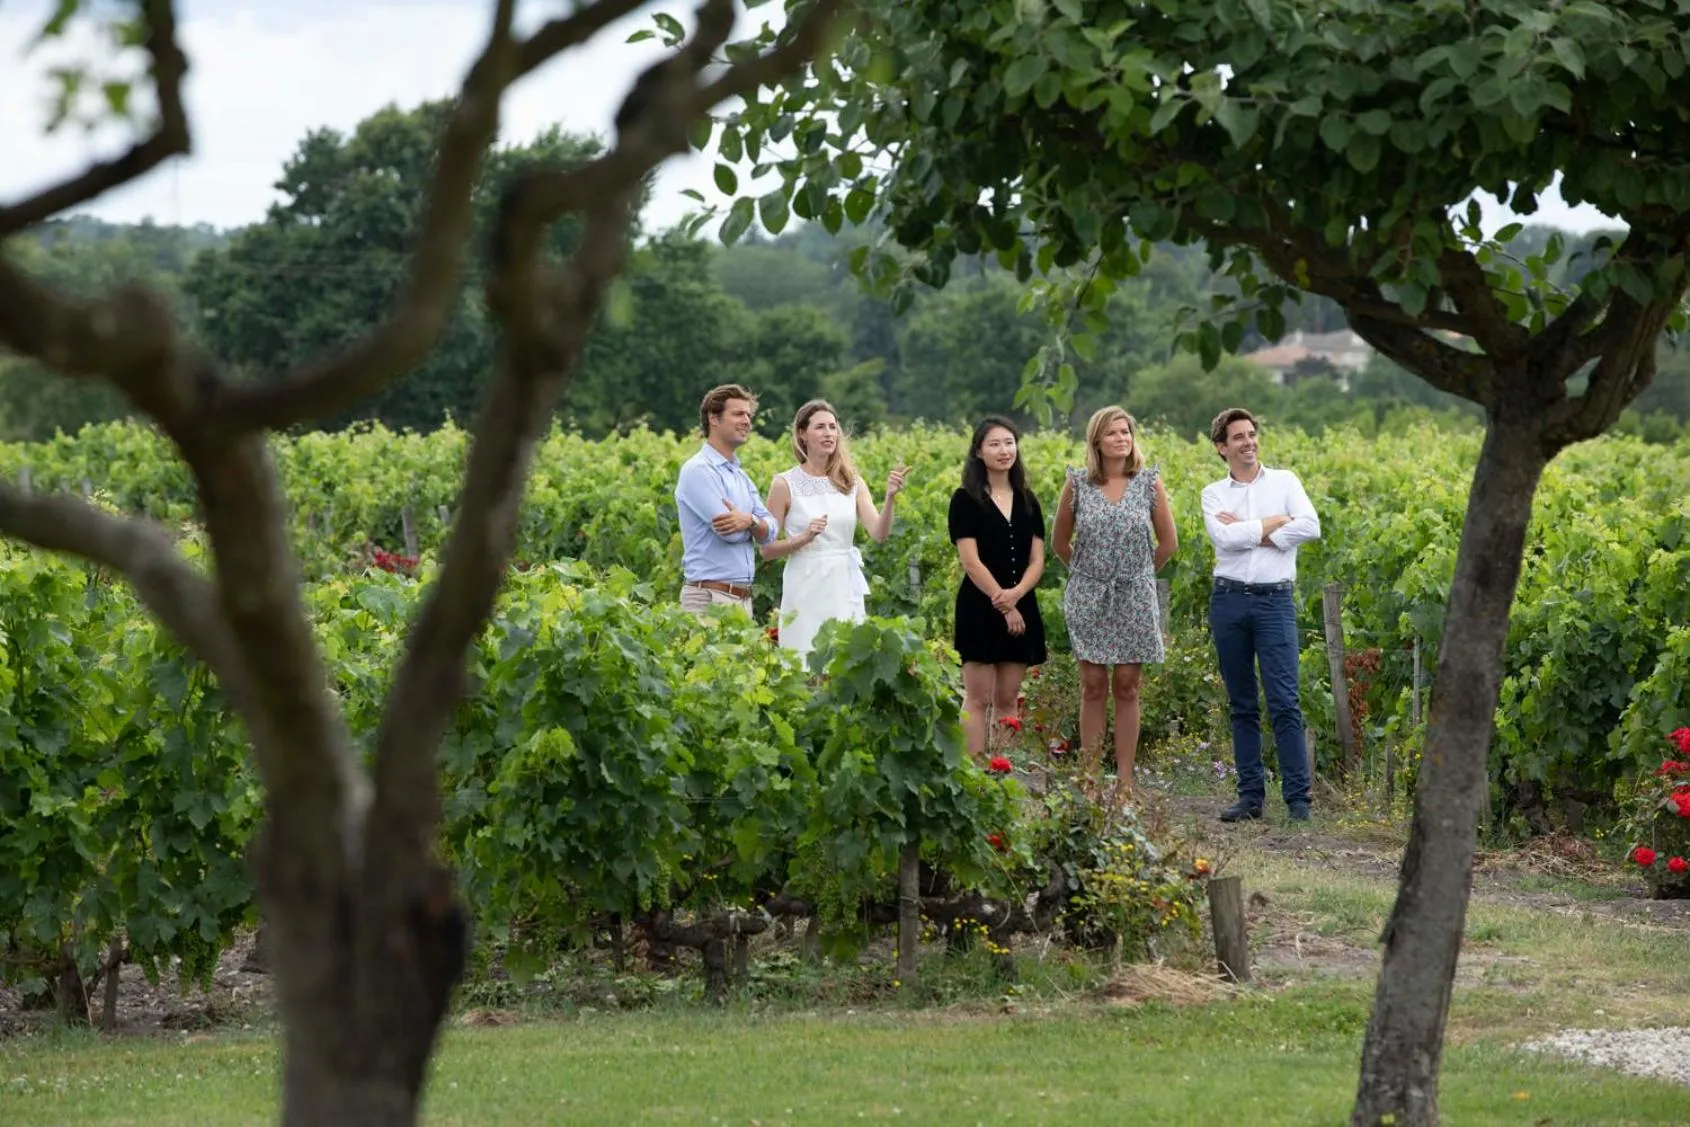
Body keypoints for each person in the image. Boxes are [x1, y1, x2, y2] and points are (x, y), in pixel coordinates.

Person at [1201, 407, 1322, 823]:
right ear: (1222, 447)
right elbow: (1224, 537)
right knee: (1242, 704)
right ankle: (1251, 797)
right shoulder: (1213, 494)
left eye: (1252, 434)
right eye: (1238, 437)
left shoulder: (1286, 480)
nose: (1248, 442)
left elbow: (1311, 527)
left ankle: (1298, 802)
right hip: (1229, 602)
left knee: (1285, 701)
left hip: (1275, 602)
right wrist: (1272, 524)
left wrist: (1252, 532)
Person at [1051, 406, 1177, 791]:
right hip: (1089, 594)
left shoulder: (1149, 483)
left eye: (1126, 432)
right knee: (1092, 683)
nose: (1121, 438)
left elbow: (1168, 543)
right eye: (1112, 433)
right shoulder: (1077, 484)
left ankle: (1124, 781)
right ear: (1096, 442)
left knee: (1127, 683)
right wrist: (1089, 575)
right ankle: (1089, 778)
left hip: (1135, 594)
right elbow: (1059, 543)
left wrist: (1137, 575)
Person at [761, 399, 909, 662]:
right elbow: (767, 550)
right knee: (803, 664)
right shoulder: (784, 484)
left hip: (843, 581)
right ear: (802, 434)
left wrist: (889, 498)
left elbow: (879, 533)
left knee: (844, 662)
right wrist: (803, 538)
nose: (829, 433)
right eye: (820, 427)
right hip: (804, 582)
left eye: (832, 427)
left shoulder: (852, 481)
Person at [948, 415, 1047, 758]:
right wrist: (1003, 603)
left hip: (1022, 608)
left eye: (1009, 442)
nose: (1004, 450)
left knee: (1008, 699)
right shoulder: (964, 499)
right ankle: (971, 777)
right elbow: (971, 562)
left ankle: (1004, 778)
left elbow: (1038, 560)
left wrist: (1017, 596)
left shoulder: (1028, 500)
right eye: (994, 444)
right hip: (979, 608)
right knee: (977, 698)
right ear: (978, 452)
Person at [674, 384, 778, 617]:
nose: (747, 421)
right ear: (714, 418)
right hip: (708, 600)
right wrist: (754, 525)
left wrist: (748, 520)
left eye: (749, 415)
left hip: (740, 601)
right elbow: (729, 532)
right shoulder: (698, 470)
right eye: (738, 414)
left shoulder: (741, 477)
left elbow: (771, 531)